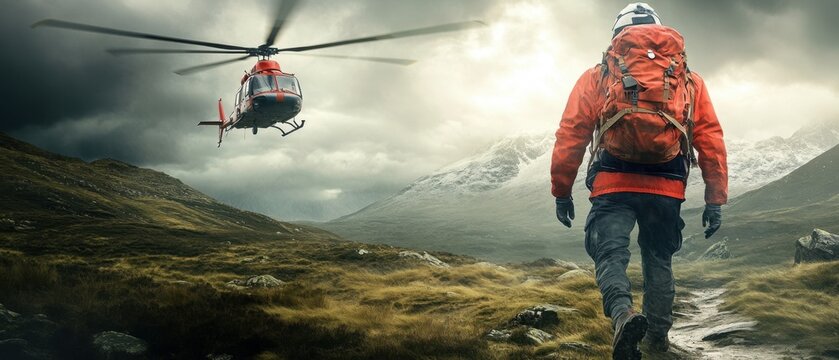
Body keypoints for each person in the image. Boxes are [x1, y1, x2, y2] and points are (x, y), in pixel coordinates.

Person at [549, 3, 727, 359]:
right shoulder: (688, 79)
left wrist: (561, 191)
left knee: (610, 254)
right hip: (667, 187)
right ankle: (658, 341)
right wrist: (714, 199)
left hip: (613, 184)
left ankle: (622, 315)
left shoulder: (599, 75)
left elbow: (572, 133)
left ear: (617, 36)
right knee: (659, 260)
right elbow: (710, 138)